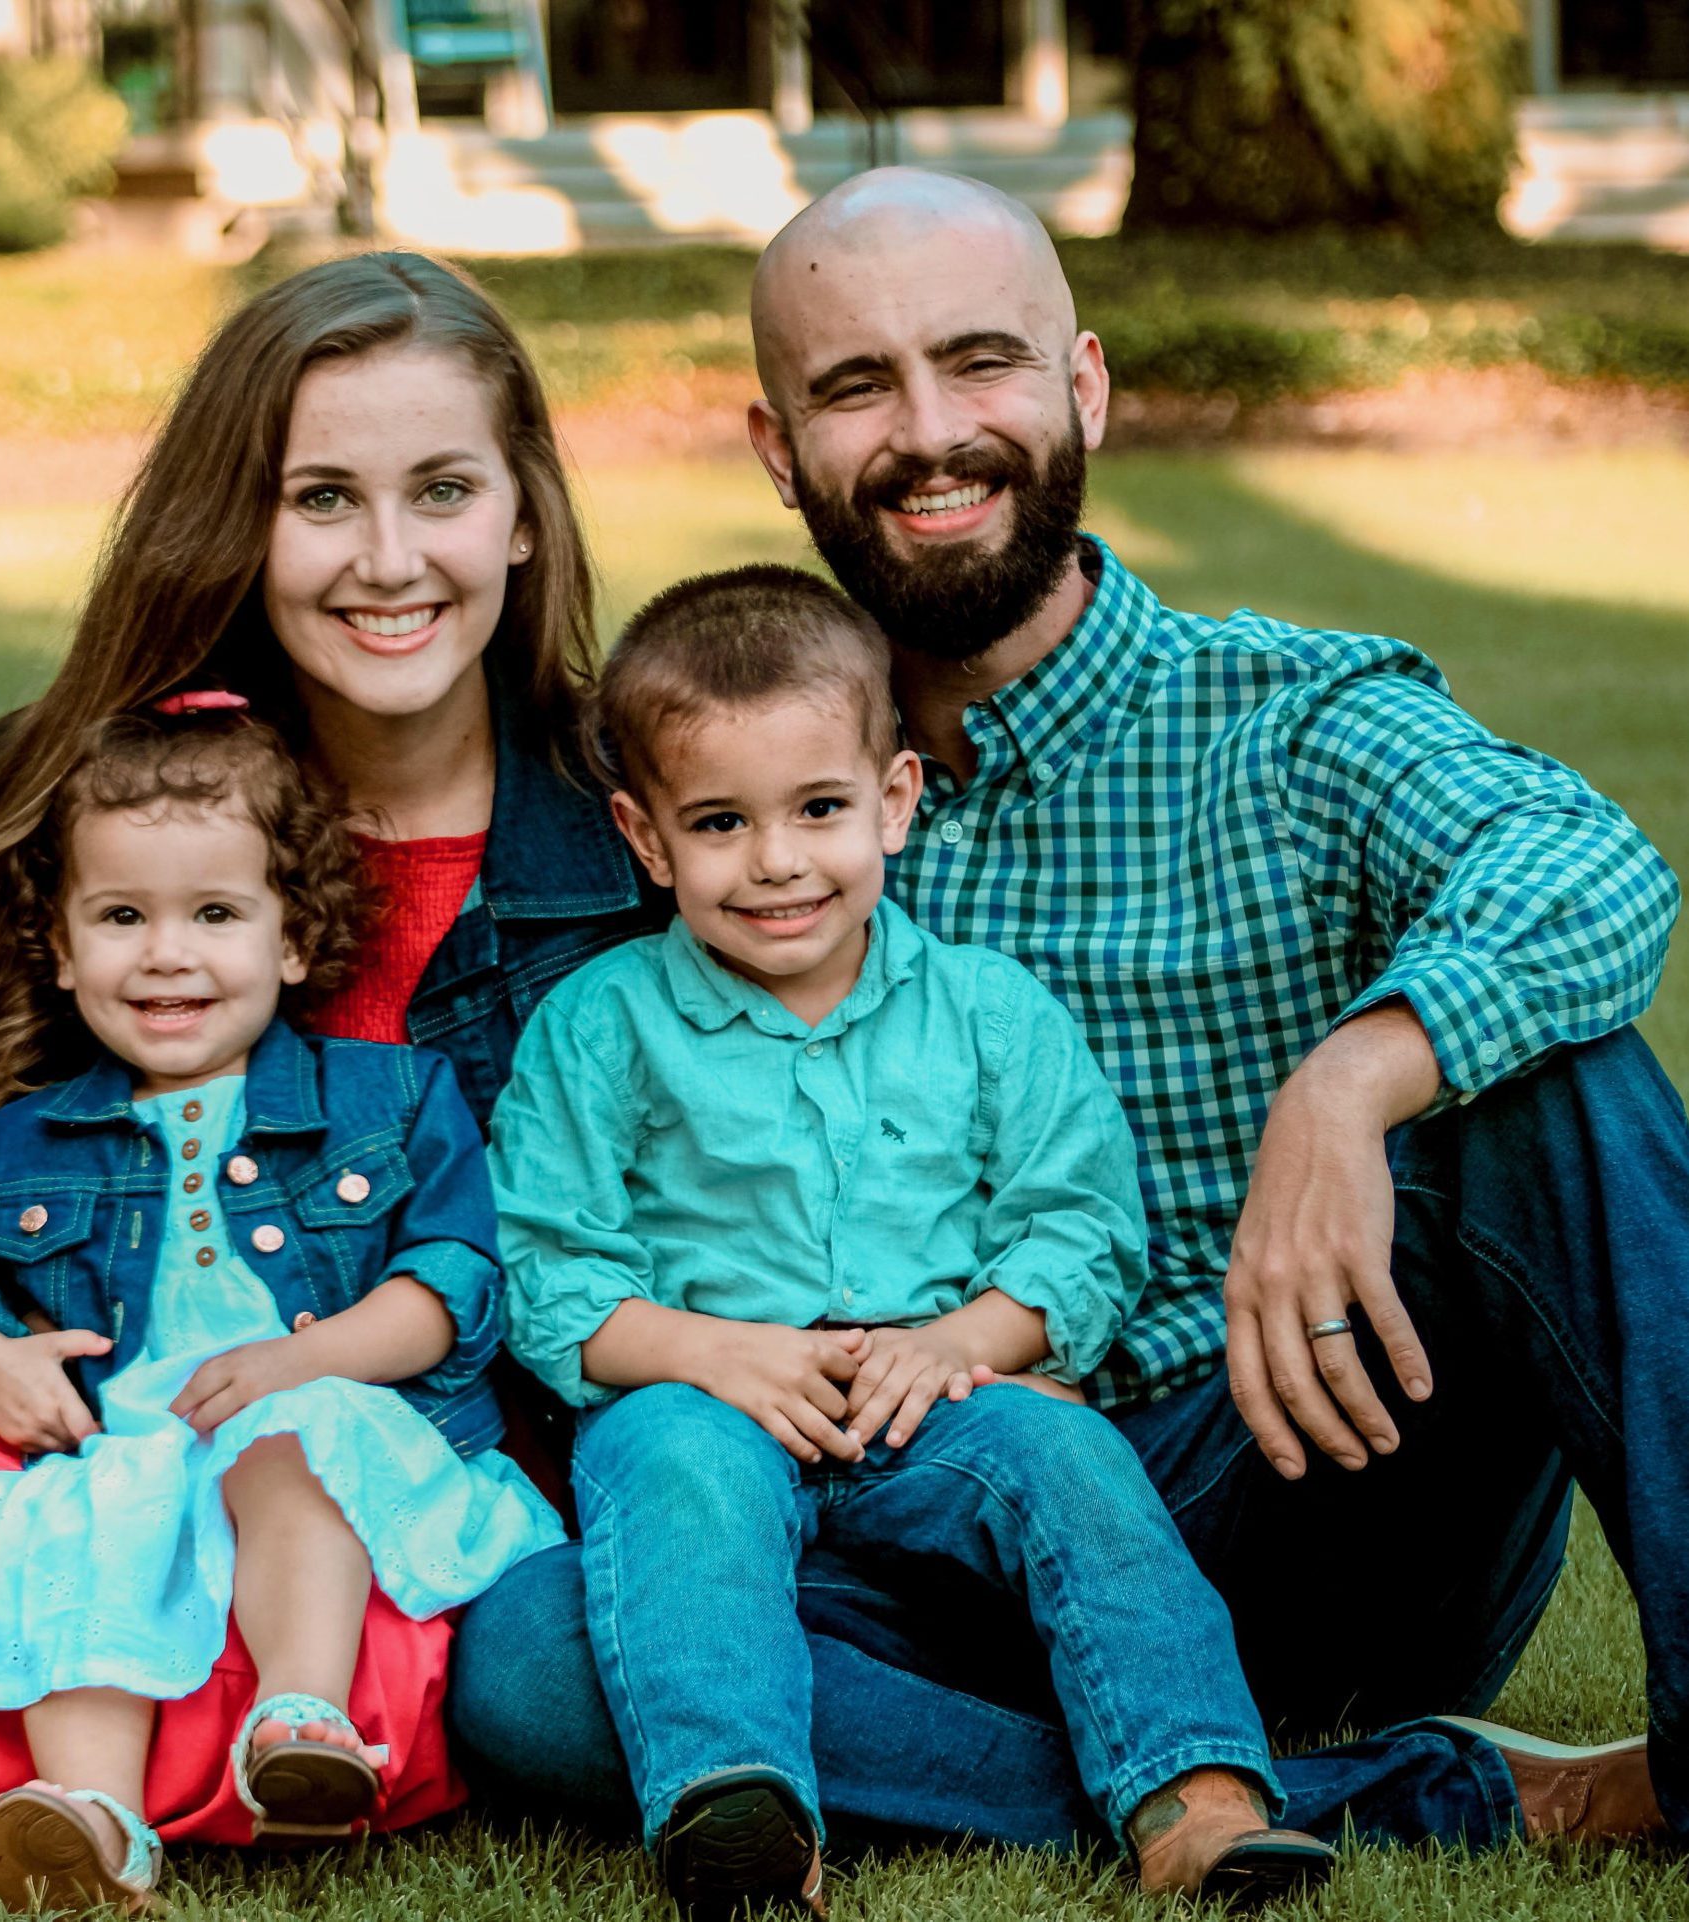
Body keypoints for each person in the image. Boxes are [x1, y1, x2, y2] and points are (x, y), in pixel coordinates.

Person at [449, 172, 1682, 1855]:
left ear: (1081, 387)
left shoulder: (1281, 719)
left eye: (982, 364)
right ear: (775, 443)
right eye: (857, 385)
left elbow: (1587, 869)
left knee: (1557, 1080)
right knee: (532, 1659)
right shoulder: (731, 773)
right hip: (878, 1548)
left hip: (1284, 1473)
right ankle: (1400, 1799)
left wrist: (1347, 1083)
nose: (931, 432)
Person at [0, 251, 659, 1848]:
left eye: (441, 489)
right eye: (323, 497)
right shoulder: (132, 803)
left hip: (411, 1478)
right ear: (239, 522)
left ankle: (224, 1730)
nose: (388, 560)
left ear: (524, 512)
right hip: (101, 1438)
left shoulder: (638, 826)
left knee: (457, 1671)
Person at [491, 563, 1336, 1911]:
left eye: (818, 809)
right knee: (664, 1464)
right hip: (705, 1398)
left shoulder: (989, 1012)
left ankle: (1193, 1792)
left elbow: (1080, 1227)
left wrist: (956, 1340)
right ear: (646, 841)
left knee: (1061, 1445)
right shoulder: (601, 1027)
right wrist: (712, 1354)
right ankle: (745, 1814)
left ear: (892, 801)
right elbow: (545, 1273)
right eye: (719, 822)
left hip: (933, 1396)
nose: (775, 861)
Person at [0, 704, 561, 1912]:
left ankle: (301, 1719)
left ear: (293, 936)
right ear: (60, 946)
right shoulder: (15, 1142)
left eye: (216, 914)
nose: (167, 955)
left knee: (292, 1444)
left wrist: (316, 1358)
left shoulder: (391, 1097)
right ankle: (94, 1815)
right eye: (122, 916)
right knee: (77, 1524)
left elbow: (451, 1280)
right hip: (131, 1440)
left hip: (328, 1420)